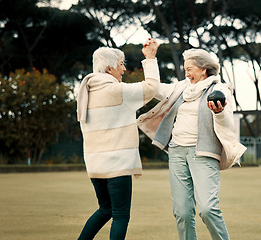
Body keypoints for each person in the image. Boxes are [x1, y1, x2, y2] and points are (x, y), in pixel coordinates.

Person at [138, 40, 246, 240]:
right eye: (185, 69)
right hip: (177, 152)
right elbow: (154, 89)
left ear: (204, 70)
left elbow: (228, 125)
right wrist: (150, 59)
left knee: (207, 208)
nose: (186, 73)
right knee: (182, 212)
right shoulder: (181, 88)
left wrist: (219, 112)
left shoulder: (220, 90)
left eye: (190, 69)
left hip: (203, 153)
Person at [76, 40, 160, 240]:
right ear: (109, 68)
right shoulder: (117, 91)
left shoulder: (86, 92)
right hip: (117, 164)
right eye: (121, 64)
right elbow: (152, 88)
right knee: (121, 216)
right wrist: (150, 59)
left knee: (105, 210)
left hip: (95, 165)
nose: (124, 68)